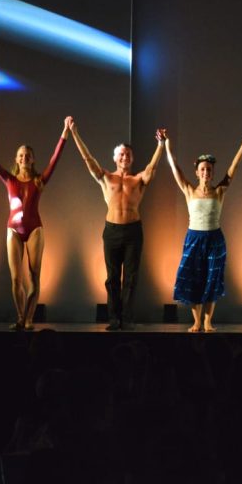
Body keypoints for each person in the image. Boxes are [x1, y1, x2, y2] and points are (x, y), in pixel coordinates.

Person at [0, 119, 70, 330]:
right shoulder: (9, 179)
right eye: (21, 154)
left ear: (32, 160)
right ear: (17, 159)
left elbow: (55, 158)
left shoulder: (39, 180)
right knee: (15, 278)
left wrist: (65, 131)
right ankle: (20, 317)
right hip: (13, 229)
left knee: (33, 275)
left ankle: (29, 318)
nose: (24, 157)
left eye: (27, 155)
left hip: (34, 230)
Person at [69, 119, 165, 330]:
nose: (124, 157)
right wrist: (75, 133)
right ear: (115, 158)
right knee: (112, 278)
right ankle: (114, 318)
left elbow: (152, 167)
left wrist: (160, 146)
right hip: (112, 231)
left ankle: (127, 318)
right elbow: (88, 159)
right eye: (121, 154)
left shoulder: (139, 179)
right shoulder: (106, 178)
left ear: (132, 159)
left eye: (128, 154)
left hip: (133, 231)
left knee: (130, 277)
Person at [165, 132, 242, 332]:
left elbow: (234, 167)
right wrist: (166, 143)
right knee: (194, 279)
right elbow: (174, 167)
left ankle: (207, 321)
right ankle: (196, 321)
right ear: (197, 172)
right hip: (194, 238)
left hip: (214, 239)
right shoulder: (188, 190)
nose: (206, 172)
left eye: (209, 170)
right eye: (202, 169)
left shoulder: (220, 191)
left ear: (212, 173)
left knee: (212, 279)